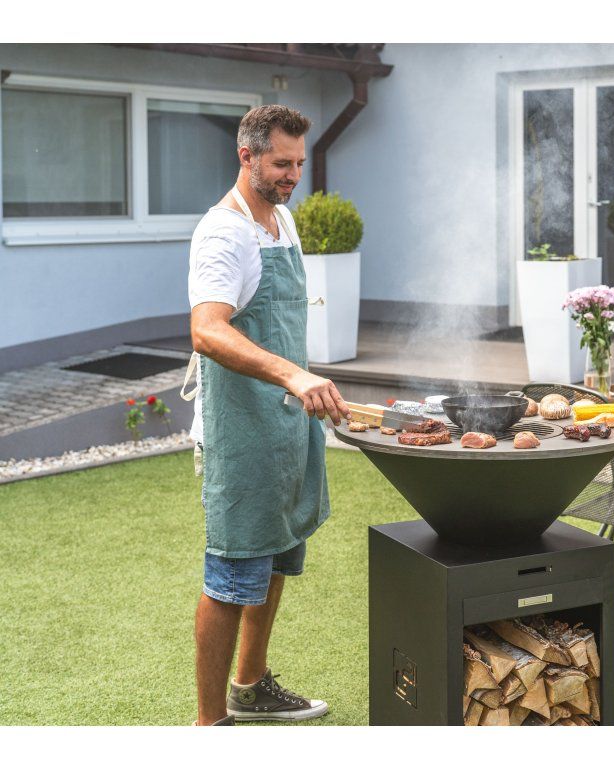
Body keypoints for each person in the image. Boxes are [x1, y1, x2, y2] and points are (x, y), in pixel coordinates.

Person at [184, 105, 349, 726]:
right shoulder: (222, 234)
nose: (294, 176)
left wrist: (306, 383)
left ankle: (249, 687)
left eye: (300, 163)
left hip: (286, 423)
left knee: (276, 553)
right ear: (246, 155)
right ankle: (210, 726)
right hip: (242, 431)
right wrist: (294, 375)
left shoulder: (281, 220)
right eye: (282, 163)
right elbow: (207, 330)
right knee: (232, 573)